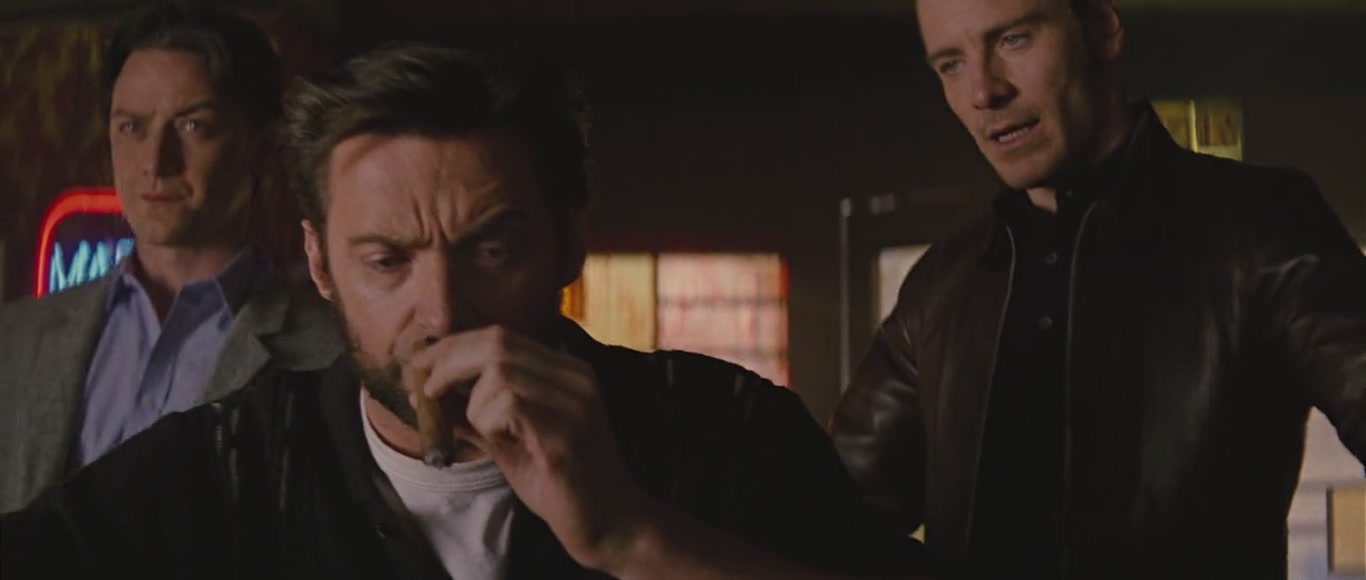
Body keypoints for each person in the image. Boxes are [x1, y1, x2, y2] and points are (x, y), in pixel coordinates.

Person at [0, 44, 927, 580]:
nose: (441, 311)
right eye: (387, 262)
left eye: (490, 251)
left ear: (569, 241)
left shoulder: (728, 428)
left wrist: (632, 537)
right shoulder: (228, 465)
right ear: (320, 263)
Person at [829, 0, 1366, 578]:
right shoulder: (942, 286)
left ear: (1101, 30)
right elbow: (826, 519)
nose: (984, 91)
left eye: (1013, 40)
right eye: (951, 64)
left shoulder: (1258, 226)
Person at [0, 3, 341, 513]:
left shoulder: (328, 355)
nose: (155, 163)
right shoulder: (17, 340)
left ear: (259, 145)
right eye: (132, 127)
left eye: (193, 125)